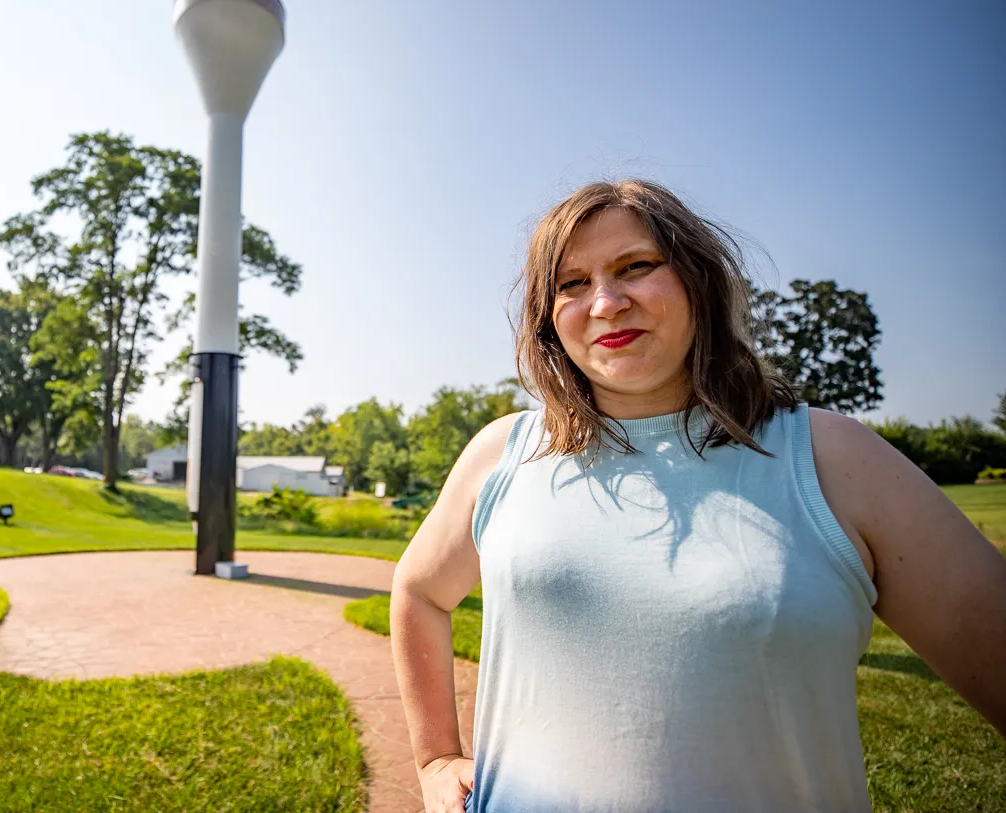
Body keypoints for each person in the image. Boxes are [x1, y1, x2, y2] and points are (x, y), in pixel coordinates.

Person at [390, 179, 1006, 813]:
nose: (605, 302)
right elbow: (418, 592)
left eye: (635, 267)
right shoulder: (505, 452)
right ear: (549, 317)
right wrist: (436, 757)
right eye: (571, 284)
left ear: (698, 280)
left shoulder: (831, 456)